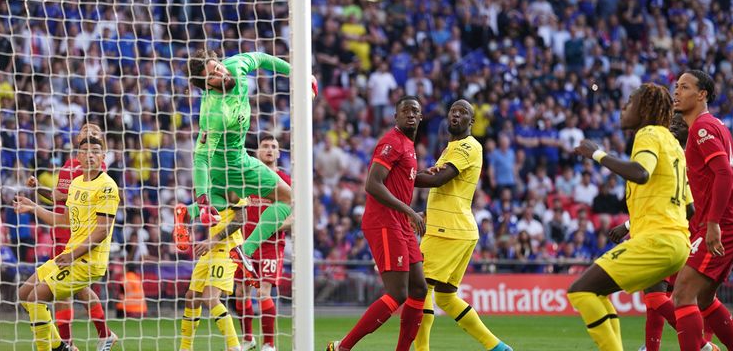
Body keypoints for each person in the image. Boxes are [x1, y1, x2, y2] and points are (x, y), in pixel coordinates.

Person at [567, 83, 690, 351]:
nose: (624, 108)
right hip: (676, 241)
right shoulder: (673, 144)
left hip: (658, 240)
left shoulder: (648, 134)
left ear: (644, 108)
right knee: (613, 294)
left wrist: (597, 153)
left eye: (630, 102)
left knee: (580, 290)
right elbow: (688, 208)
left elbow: (640, 172)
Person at [174, 50, 315, 265]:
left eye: (217, 67)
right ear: (208, 86)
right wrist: (201, 195)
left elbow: (261, 58)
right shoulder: (216, 112)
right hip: (234, 162)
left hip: (224, 165)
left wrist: (297, 73)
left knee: (221, 202)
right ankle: (246, 251)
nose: (220, 73)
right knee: (290, 198)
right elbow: (201, 157)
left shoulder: (235, 65)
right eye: (212, 76)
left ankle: (186, 213)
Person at [607, 113, 717, 351]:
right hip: (675, 233)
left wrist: (627, 226)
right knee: (654, 299)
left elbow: (672, 202)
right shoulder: (672, 153)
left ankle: (702, 344)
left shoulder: (679, 156)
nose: (673, 125)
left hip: (668, 235)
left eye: (678, 124)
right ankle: (653, 347)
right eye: (672, 122)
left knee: (657, 297)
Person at [326, 96, 427, 351]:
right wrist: (410, 212)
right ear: (395, 117)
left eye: (415, 110)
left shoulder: (409, 146)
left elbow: (403, 181)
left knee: (419, 289)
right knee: (398, 293)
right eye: (405, 111)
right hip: (384, 222)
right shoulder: (392, 142)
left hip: (400, 223)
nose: (410, 114)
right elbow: (372, 184)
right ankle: (342, 347)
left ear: (421, 117)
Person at [413, 99, 512, 351]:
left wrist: (402, 175)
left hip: (448, 229)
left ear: (472, 121)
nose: (456, 115)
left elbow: (439, 179)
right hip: (456, 228)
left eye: (463, 112)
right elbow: (434, 179)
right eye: (453, 111)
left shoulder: (469, 146)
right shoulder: (451, 147)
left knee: (420, 287)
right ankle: (498, 348)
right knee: (446, 297)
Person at [14, 135, 120, 351]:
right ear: (78, 156)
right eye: (85, 151)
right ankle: (62, 347)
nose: (89, 155)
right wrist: (33, 207)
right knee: (24, 294)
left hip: (88, 262)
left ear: (103, 156)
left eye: (95, 151)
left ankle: (58, 348)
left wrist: (73, 255)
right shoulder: (76, 184)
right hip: (71, 255)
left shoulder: (107, 186)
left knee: (36, 298)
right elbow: (63, 220)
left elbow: (102, 231)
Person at [671, 70, 733, 351]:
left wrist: (715, 220)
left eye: (685, 87)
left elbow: (726, 174)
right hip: (732, 221)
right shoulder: (716, 125)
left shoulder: (701, 128)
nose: (677, 92)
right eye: (676, 87)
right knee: (702, 300)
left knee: (681, 294)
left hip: (722, 225)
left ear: (702, 94)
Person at [234, 134, 292, 351]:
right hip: (245, 244)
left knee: (263, 292)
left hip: (270, 245)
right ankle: (248, 339)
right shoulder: (246, 178)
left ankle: (269, 344)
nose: (269, 149)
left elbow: (296, 216)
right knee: (241, 292)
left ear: (278, 153)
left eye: (273, 147)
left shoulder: (285, 181)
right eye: (265, 146)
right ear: (257, 152)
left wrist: (271, 227)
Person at [178, 198, 248, 351]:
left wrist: (213, 240)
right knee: (192, 297)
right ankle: (185, 348)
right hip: (210, 250)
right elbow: (190, 211)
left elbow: (241, 218)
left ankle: (234, 346)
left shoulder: (233, 184)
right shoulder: (211, 191)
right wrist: (182, 222)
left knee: (210, 297)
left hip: (228, 250)